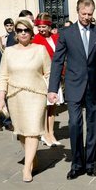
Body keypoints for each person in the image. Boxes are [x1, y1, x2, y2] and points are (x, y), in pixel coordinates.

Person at [48, 0, 96, 180]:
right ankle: (76, 163)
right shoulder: (66, 33)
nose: (86, 17)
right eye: (83, 13)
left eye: (89, 14)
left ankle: (90, 163)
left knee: (93, 126)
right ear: (77, 12)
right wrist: (52, 89)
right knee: (75, 124)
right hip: (73, 85)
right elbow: (57, 61)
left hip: (94, 86)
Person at [0, 17, 51, 182]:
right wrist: (0, 98)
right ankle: (32, 158)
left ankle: (26, 168)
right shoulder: (9, 51)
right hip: (15, 96)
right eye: (19, 30)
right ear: (15, 33)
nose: (22, 33)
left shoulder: (40, 50)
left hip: (36, 96)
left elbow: (48, 73)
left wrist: (48, 91)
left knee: (33, 130)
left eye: (25, 30)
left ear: (31, 32)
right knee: (21, 132)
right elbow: (3, 75)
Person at [32, 12, 63, 147]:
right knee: (45, 107)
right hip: (43, 77)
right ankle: (44, 134)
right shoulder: (36, 40)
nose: (41, 30)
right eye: (39, 27)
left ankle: (51, 133)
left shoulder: (57, 37)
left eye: (44, 27)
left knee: (53, 107)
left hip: (56, 76)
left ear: (49, 26)